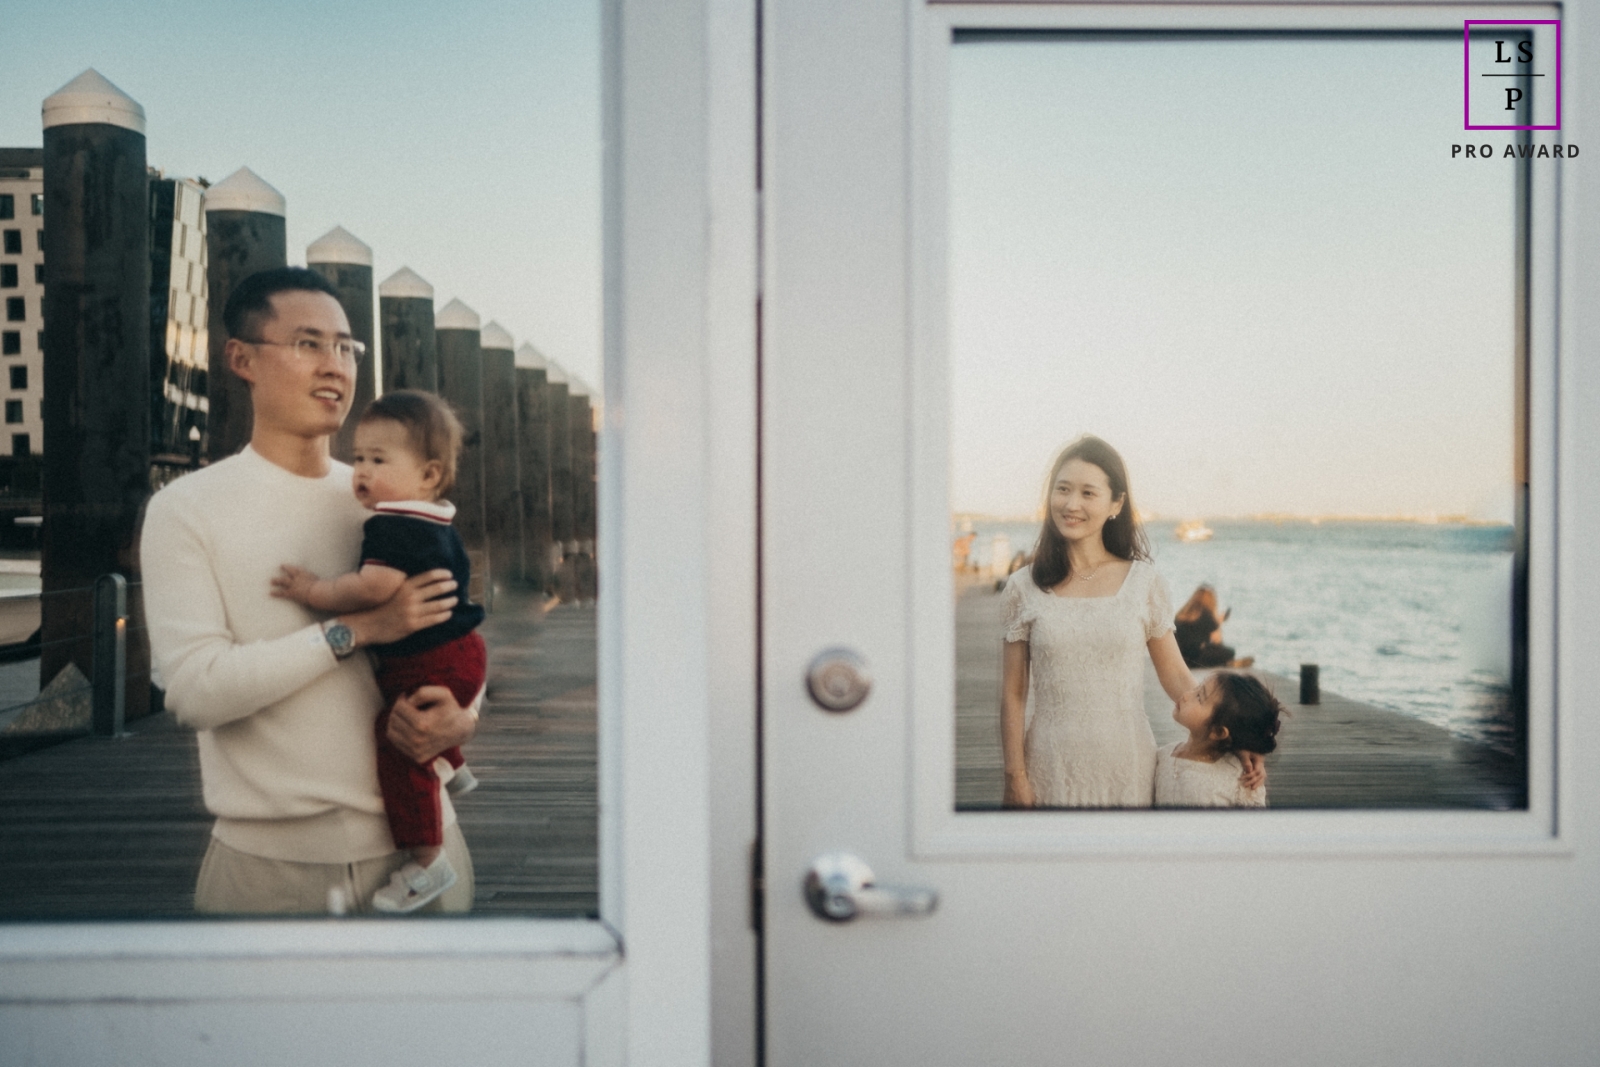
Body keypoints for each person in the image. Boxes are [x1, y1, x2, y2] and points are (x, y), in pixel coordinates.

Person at [141, 267, 479, 914]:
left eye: (345, 347)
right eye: (307, 344)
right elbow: (192, 692)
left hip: (426, 851)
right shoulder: (188, 509)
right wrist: (356, 630)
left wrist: (466, 714)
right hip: (268, 872)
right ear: (240, 358)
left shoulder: (389, 499)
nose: (335, 365)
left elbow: (455, 627)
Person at [271, 390, 486, 913]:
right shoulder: (435, 520)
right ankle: (454, 768)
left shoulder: (392, 524)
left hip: (430, 657)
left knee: (397, 741)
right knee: (426, 718)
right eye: (359, 457)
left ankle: (428, 862)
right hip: (463, 650)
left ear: (430, 475)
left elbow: (371, 588)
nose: (360, 472)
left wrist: (314, 592)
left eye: (378, 460)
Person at [998, 435, 1263, 808]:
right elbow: (1013, 694)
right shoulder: (1022, 587)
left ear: (1116, 504)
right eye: (1062, 490)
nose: (1071, 504)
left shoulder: (1144, 583)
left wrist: (1239, 737)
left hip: (1127, 764)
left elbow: (1177, 678)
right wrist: (1016, 777)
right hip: (1049, 765)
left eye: (1088, 493)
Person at [1154, 671, 1282, 807]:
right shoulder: (1164, 754)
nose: (1186, 695)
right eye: (1196, 688)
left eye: (1199, 697)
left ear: (1218, 731)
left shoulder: (1239, 779)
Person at [1174, 584, 1253, 669]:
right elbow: (1217, 642)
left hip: (1180, 658)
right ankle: (1227, 664)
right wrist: (1218, 624)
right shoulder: (1206, 615)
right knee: (1229, 652)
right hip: (1196, 659)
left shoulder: (1181, 615)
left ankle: (1227, 664)